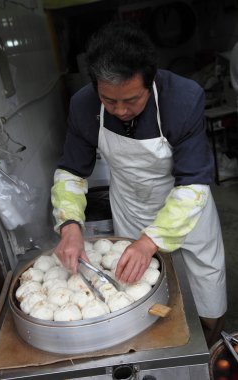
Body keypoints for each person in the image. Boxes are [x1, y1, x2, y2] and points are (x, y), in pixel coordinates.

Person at [51, 21, 227, 347]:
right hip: (131, 207)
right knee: (136, 297)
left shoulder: (183, 99)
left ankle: (210, 348)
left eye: (131, 100)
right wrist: (70, 224)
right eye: (109, 100)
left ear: (151, 80)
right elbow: (71, 172)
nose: (120, 110)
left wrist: (150, 242)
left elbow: (193, 183)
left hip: (186, 208)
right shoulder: (84, 105)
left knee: (207, 289)